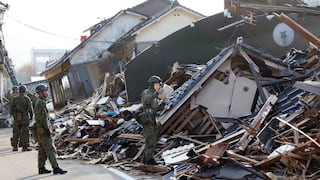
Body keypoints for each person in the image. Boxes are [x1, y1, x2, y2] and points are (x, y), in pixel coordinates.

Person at [34, 84, 67, 175]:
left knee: (42, 150)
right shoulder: (41, 102)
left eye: (46, 91)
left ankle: (41, 168)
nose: (46, 93)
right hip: (43, 130)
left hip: (40, 130)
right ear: (39, 93)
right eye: (44, 91)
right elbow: (43, 118)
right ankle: (56, 168)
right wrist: (48, 129)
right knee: (50, 149)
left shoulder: (39, 101)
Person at [138, 75, 165, 165]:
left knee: (153, 140)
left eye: (159, 85)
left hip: (153, 119)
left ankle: (146, 159)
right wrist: (156, 94)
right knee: (150, 140)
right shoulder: (147, 92)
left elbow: (157, 108)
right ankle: (149, 160)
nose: (158, 87)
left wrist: (163, 102)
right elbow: (146, 100)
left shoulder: (155, 96)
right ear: (152, 84)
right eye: (157, 84)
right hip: (147, 119)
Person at [10, 85, 33, 151]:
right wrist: (31, 117)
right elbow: (30, 109)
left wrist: (13, 115)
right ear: (25, 91)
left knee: (16, 132)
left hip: (16, 117)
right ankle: (25, 147)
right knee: (25, 132)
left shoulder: (14, 99)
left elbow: (11, 109)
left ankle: (15, 147)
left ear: (19, 91)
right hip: (25, 116)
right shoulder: (27, 98)